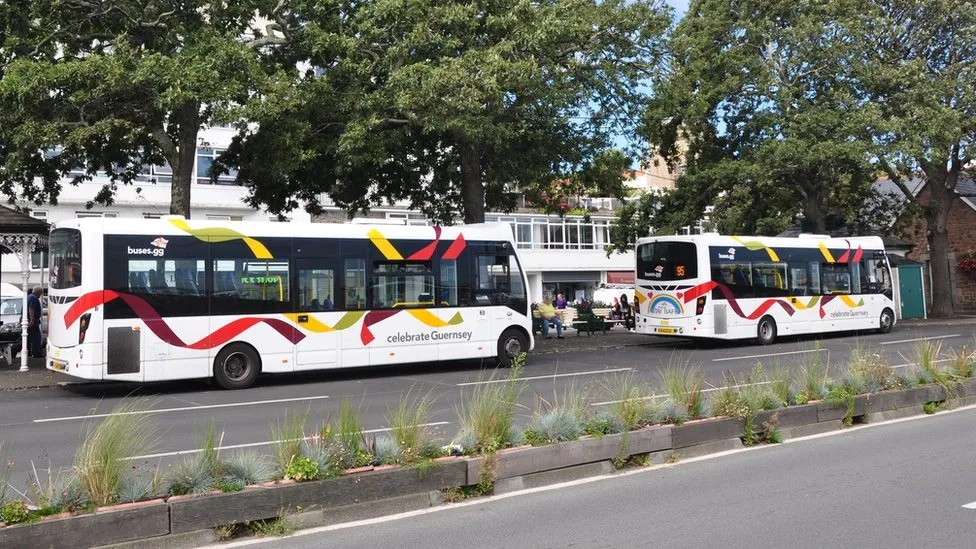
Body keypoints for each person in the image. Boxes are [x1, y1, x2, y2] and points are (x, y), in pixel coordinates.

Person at [27, 286, 43, 358]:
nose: (40, 295)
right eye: (40, 293)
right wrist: (32, 320)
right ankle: (36, 353)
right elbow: (31, 309)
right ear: (38, 292)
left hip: (28, 320)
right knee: (36, 337)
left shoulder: (29, 297)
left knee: (28, 337)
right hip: (32, 321)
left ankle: (14, 349)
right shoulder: (34, 298)